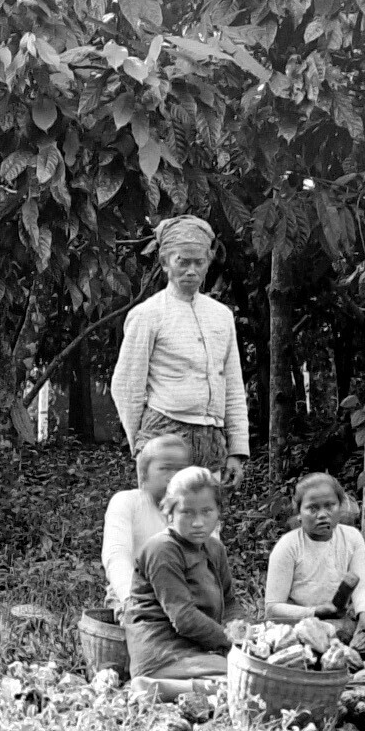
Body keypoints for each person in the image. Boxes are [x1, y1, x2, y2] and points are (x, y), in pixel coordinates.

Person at [111, 214, 250, 487]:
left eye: (199, 262)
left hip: (212, 439)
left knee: (206, 512)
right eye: (182, 262)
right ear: (165, 262)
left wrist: (236, 451)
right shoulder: (148, 314)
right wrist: (142, 444)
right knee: (162, 511)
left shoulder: (221, 316)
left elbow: (233, 386)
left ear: (209, 262)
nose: (191, 271)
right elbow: (127, 385)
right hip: (164, 435)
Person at [122, 467, 248, 701]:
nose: (198, 522)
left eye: (207, 512)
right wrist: (229, 642)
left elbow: (229, 602)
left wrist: (244, 633)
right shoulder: (162, 550)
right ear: (169, 513)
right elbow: (184, 618)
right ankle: (156, 687)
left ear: (218, 512)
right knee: (246, 683)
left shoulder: (214, 548)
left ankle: (190, 685)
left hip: (199, 648)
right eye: (187, 513)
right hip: (163, 652)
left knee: (255, 672)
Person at [265, 473, 365, 657]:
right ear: (299, 512)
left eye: (329, 506)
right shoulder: (288, 546)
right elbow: (272, 608)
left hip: (341, 621)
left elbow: (362, 586)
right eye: (312, 508)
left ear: (340, 507)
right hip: (298, 627)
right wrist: (315, 612)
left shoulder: (352, 538)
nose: (322, 515)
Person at [102, 434, 189, 607]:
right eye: (165, 468)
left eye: (180, 470)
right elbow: (116, 556)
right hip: (133, 595)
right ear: (144, 474)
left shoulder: (195, 512)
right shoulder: (127, 502)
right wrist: (131, 599)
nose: (173, 477)